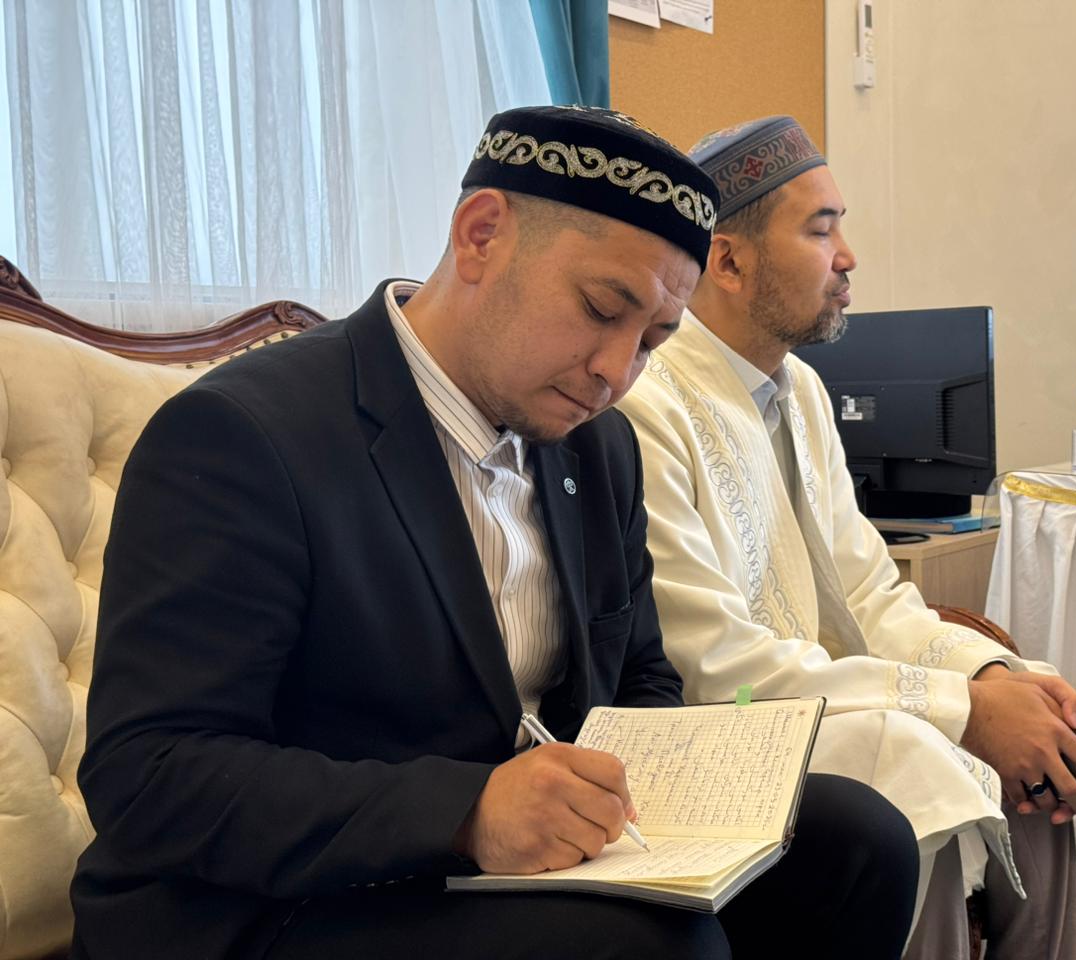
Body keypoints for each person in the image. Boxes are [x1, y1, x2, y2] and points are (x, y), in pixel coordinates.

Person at [70, 106, 920, 960]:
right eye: (601, 308)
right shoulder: (246, 435)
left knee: (859, 843)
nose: (616, 372)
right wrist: (468, 812)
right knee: (654, 946)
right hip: (279, 903)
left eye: (653, 341)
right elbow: (149, 772)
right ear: (481, 236)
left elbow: (640, 676)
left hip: (514, 873)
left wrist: (688, 793)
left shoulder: (599, 445)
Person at [616, 116, 1076, 960]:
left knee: (1041, 743)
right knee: (914, 762)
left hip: (825, 703)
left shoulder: (803, 389)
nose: (847, 257)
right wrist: (959, 711)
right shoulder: (646, 403)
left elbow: (869, 595)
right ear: (728, 262)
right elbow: (716, 669)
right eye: (821, 231)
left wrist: (991, 679)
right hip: (723, 734)